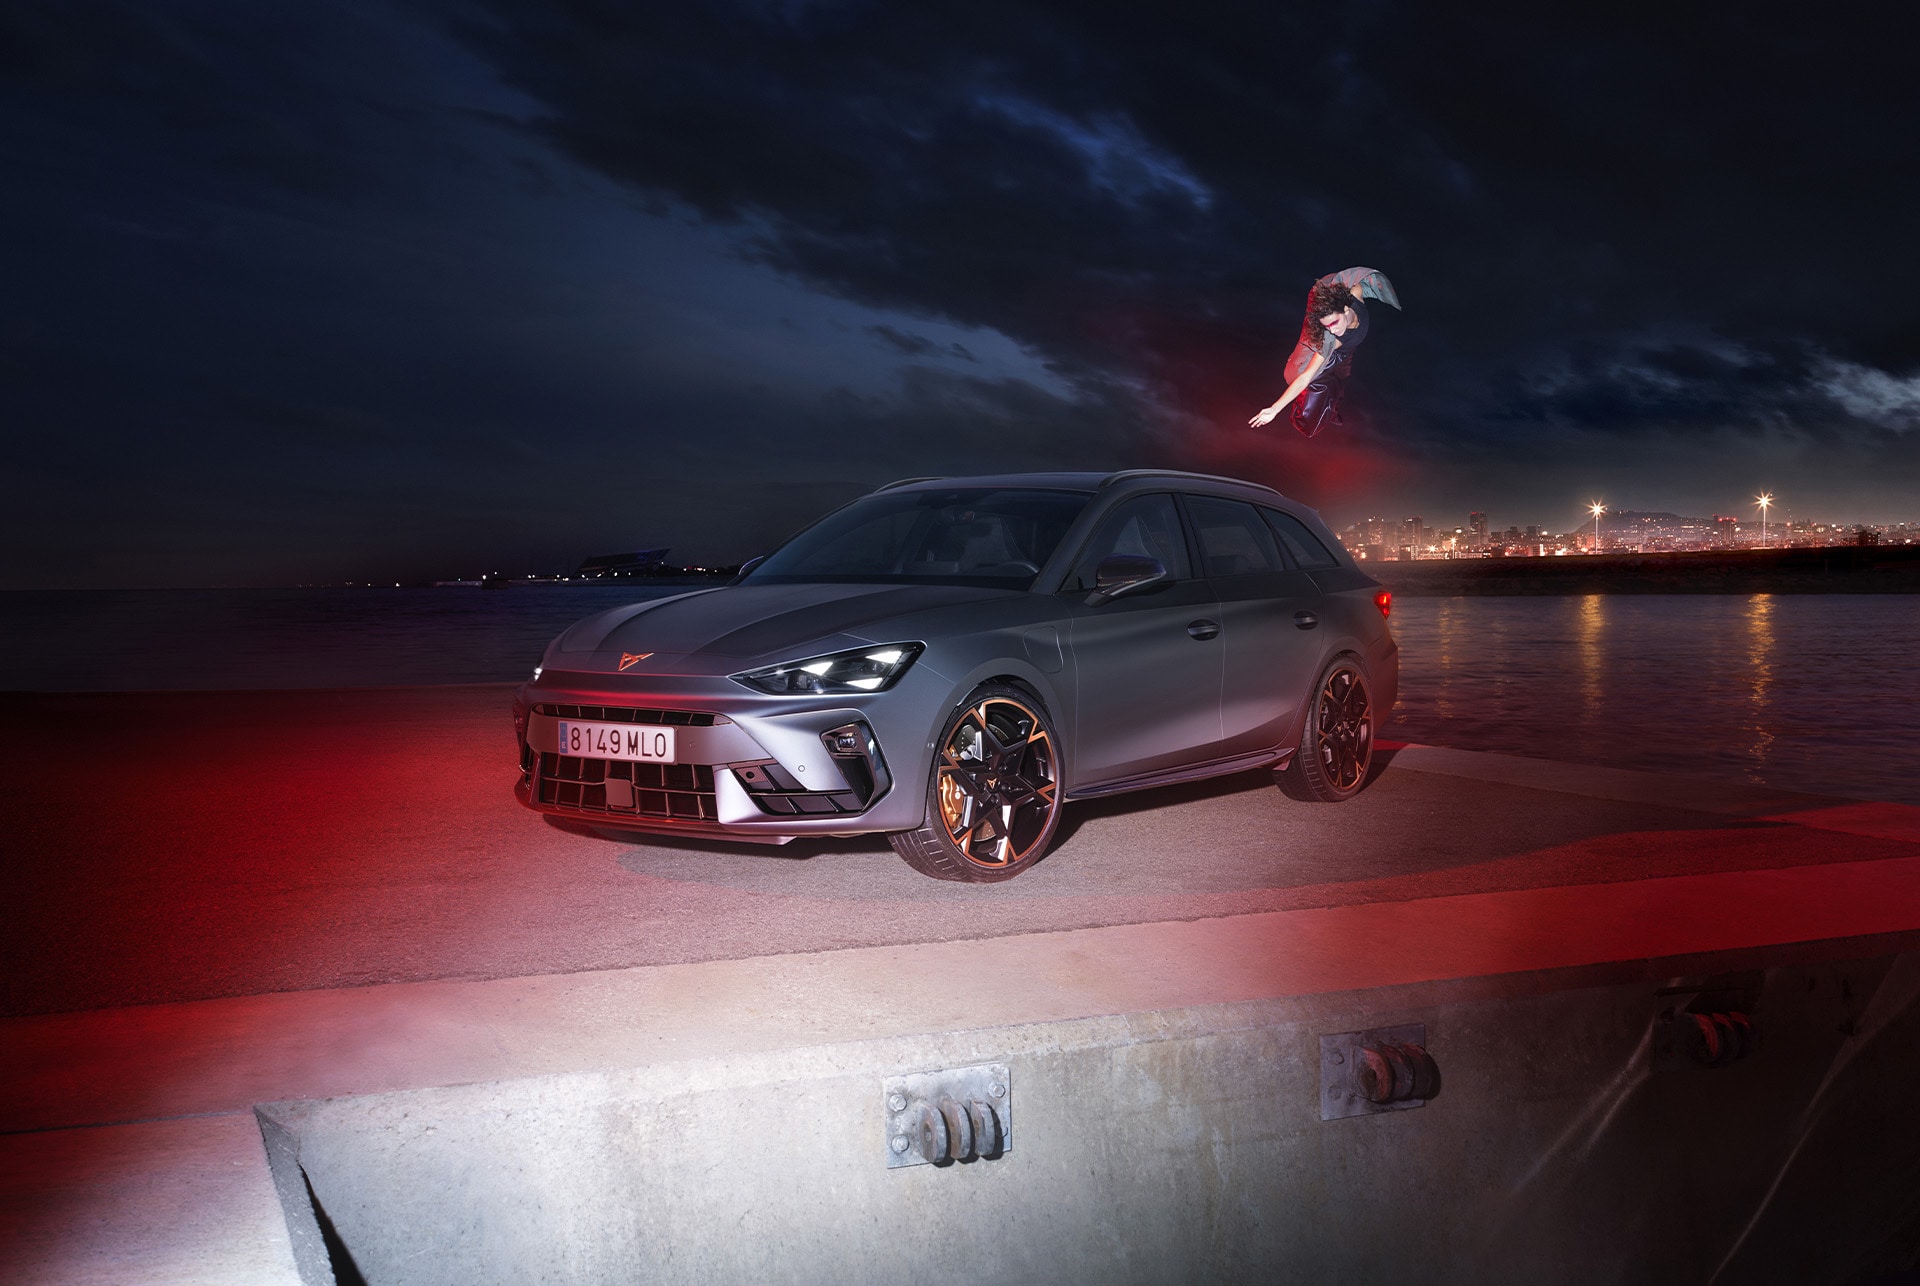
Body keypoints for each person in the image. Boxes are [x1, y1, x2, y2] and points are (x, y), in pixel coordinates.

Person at [1249, 267, 1400, 438]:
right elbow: (1306, 376)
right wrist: (1274, 409)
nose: (1333, 330)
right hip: (1334, 343)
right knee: (1314, 379)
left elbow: (1357, 280)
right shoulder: (1330, 338)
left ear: (1345, 309)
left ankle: (1333, 408)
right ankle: (1305, 409)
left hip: (1346, 346)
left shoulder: (1355, 293)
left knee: (1343, 377)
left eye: (1335, 322)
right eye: (1328, 326)